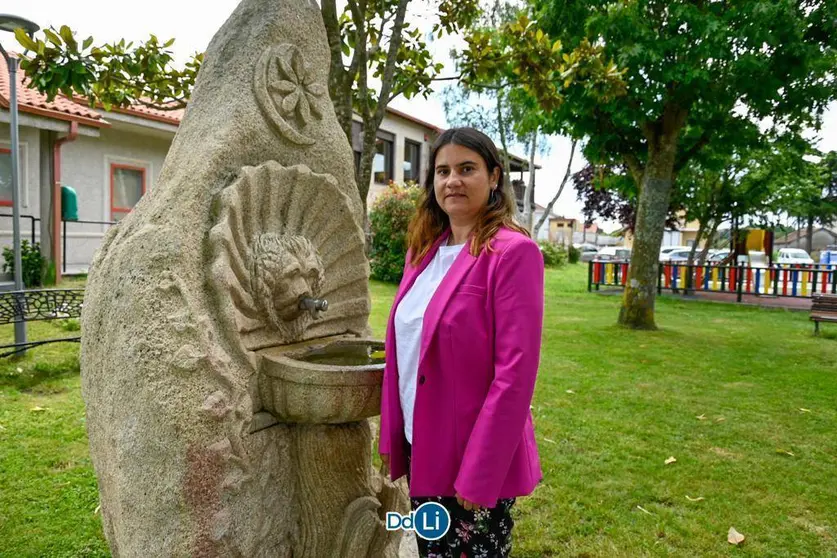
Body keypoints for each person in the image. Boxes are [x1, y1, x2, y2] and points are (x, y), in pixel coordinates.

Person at [378, 127, 545, 557]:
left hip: (471, 460)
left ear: (493, 177)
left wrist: (480, 471)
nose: (452, 180)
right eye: (442, 170)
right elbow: (409, 349)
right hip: (423, 448)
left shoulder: (512, 253)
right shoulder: (423, 253)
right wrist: (394, 440)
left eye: (466, 169)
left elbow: (515, 375)